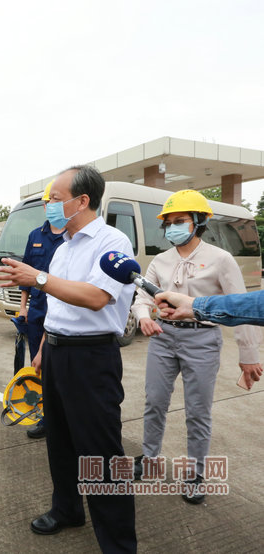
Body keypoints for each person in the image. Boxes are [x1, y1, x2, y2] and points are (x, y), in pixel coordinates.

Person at [0, 165, 137, 553]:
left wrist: (37, 278)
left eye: (55, 199)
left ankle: (118, 543)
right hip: (56, 353)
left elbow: (95, 297)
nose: (49, 207)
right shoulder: (64, 248)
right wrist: (42, 350)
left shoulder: (112, 242)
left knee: (101, 451)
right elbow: (56, 307)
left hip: (91, 358)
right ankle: (67, 509)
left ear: (82, 201)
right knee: (59, 441)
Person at [131, 190, 262, 504]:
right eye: (169, 223)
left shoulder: (221, 259)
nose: (173, 227)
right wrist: (143, 317)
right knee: (155, 403)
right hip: (163, 337)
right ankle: (149, 458)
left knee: (198, 412)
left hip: (202, 340)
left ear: (199, 221)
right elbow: (143, 297)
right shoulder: (160, 261)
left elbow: (240, 309)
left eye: (181, 221)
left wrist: (249, 356)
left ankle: (195, 474)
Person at [17, 180, 65, 439]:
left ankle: (63, 416)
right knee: (39, 364)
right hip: (37, 310)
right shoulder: (35, 235)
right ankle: (46, 417)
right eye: (47, 203)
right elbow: (25, 275)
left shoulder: (73, 235)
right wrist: (23, 308)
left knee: (62, 366)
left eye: (53, 202)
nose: (49, 207)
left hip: (64, 309)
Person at [157, 289, 264, 331]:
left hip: (205, 333)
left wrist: (249, 356)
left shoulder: (222, 257)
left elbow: (247, 303)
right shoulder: (160, 259)